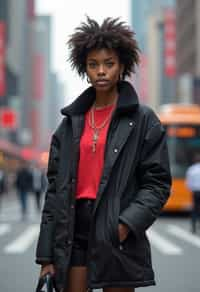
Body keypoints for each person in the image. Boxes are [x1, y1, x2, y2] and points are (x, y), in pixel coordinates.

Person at [35, 17, 171, 292]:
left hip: (116, 226)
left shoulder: (143, 119)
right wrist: (45, 257)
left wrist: (126, 223)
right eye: (93, 65)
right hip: (74, 228)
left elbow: (157, 182)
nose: (101, 71)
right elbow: (54, 194)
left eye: (108, 64)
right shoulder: (70, 123)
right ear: (84, 69)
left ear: (122, 66)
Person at [185, 153, 200, 233]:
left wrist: (191, 189)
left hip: (195, 192)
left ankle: (193, 227)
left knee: (195, 209)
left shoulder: (191, 169)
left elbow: (188, 182)